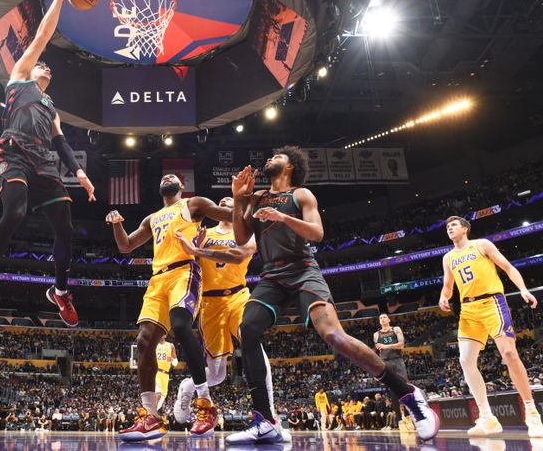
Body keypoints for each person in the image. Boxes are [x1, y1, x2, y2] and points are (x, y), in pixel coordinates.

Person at [226, 148, 438, 444]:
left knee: (334, 336)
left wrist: (283, 218)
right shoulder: (258, 196)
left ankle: (409, 395)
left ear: (290, 166)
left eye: (278, 156)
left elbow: (317, 233)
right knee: (247, 328)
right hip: (272, 277)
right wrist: (238, 198)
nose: (270, 158)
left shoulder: (302, 195)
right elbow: (239, 238)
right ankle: (265, 420)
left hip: (303, 271)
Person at [0, 0, 96, 328]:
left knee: (65, 228)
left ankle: (60, 291)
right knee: (16, 213)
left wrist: (80, 173)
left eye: (48, 67)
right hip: (14, 150)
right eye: (42, 64)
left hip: (43, 159)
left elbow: (62, 143)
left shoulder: (52, 107)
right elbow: (42, 36)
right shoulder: (20, 77)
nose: (46, 66)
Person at [106, 174, 232, 441]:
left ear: (181, 186)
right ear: (159, 187)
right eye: (164, 176)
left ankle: (205, 404)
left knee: (180, 325)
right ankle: (150, 416)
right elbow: (125, 245)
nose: (168, 176)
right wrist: (117, 224)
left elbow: (231, 216)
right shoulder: (151, 218)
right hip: (157, 279)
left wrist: (243, 201)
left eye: (174, 176)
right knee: (144, 341)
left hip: (184, 271)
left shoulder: (193, 204)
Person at [439, 215, 543, 437]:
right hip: (467, 310)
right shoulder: (448, 258)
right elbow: (448, 286)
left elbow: (507, 267)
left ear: (465, 229)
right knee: (465, 361)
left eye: (454, 225)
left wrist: (523, 289)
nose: (450, 228)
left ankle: (532, 413)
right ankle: (487, 417)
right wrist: (443, 296)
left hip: (492, 302)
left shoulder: (481, 245)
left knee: (509, 353)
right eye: (447, 226)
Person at [171, 197, 260, 423]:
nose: (226, 201)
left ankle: (268, 414)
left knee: (252, 341)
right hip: (211, 303)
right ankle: (188, 386)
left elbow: (246, 251)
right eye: (221, 201)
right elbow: (187, 266)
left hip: (239, 295)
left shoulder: (247, 234)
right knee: (218, 375)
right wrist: (195, 251)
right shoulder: (203, 232)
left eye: (231, 199)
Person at [374, 313, 408, 424]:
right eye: (380, 318)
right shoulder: (376, 334)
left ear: (389, 319)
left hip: (397, 360)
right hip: (385, 363)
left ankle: (408, 416)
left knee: (404, 387)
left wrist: (386, 346)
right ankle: (399, 420)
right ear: (379, 321)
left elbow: (401, 344)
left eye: (384, 317)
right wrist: (376, 370)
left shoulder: (396, 329)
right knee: (392, 390)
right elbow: (378, 353)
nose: (382, 319)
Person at [154, 337, 178, 412]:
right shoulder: (154, 345)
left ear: (165, 335)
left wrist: (172, 360)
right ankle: (152, 413)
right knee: (158, 393)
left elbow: (176, 363)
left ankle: (153, 412)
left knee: (163, 396)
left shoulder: (170, 345)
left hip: (165, 374)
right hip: (157, 372)